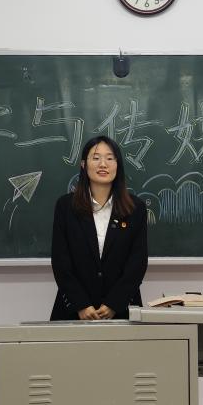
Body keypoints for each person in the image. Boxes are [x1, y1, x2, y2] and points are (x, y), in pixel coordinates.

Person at [50, 135, 148, 320]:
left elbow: (137, 263)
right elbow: (61, 262)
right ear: (83, 164)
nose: (103, 164)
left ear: (118, 165)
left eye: (110, 158)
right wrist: (81, 305)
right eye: (96, 158)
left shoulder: (135, 209)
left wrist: (114, 304)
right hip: (73, 312)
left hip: (122, 311)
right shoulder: (66, 207)